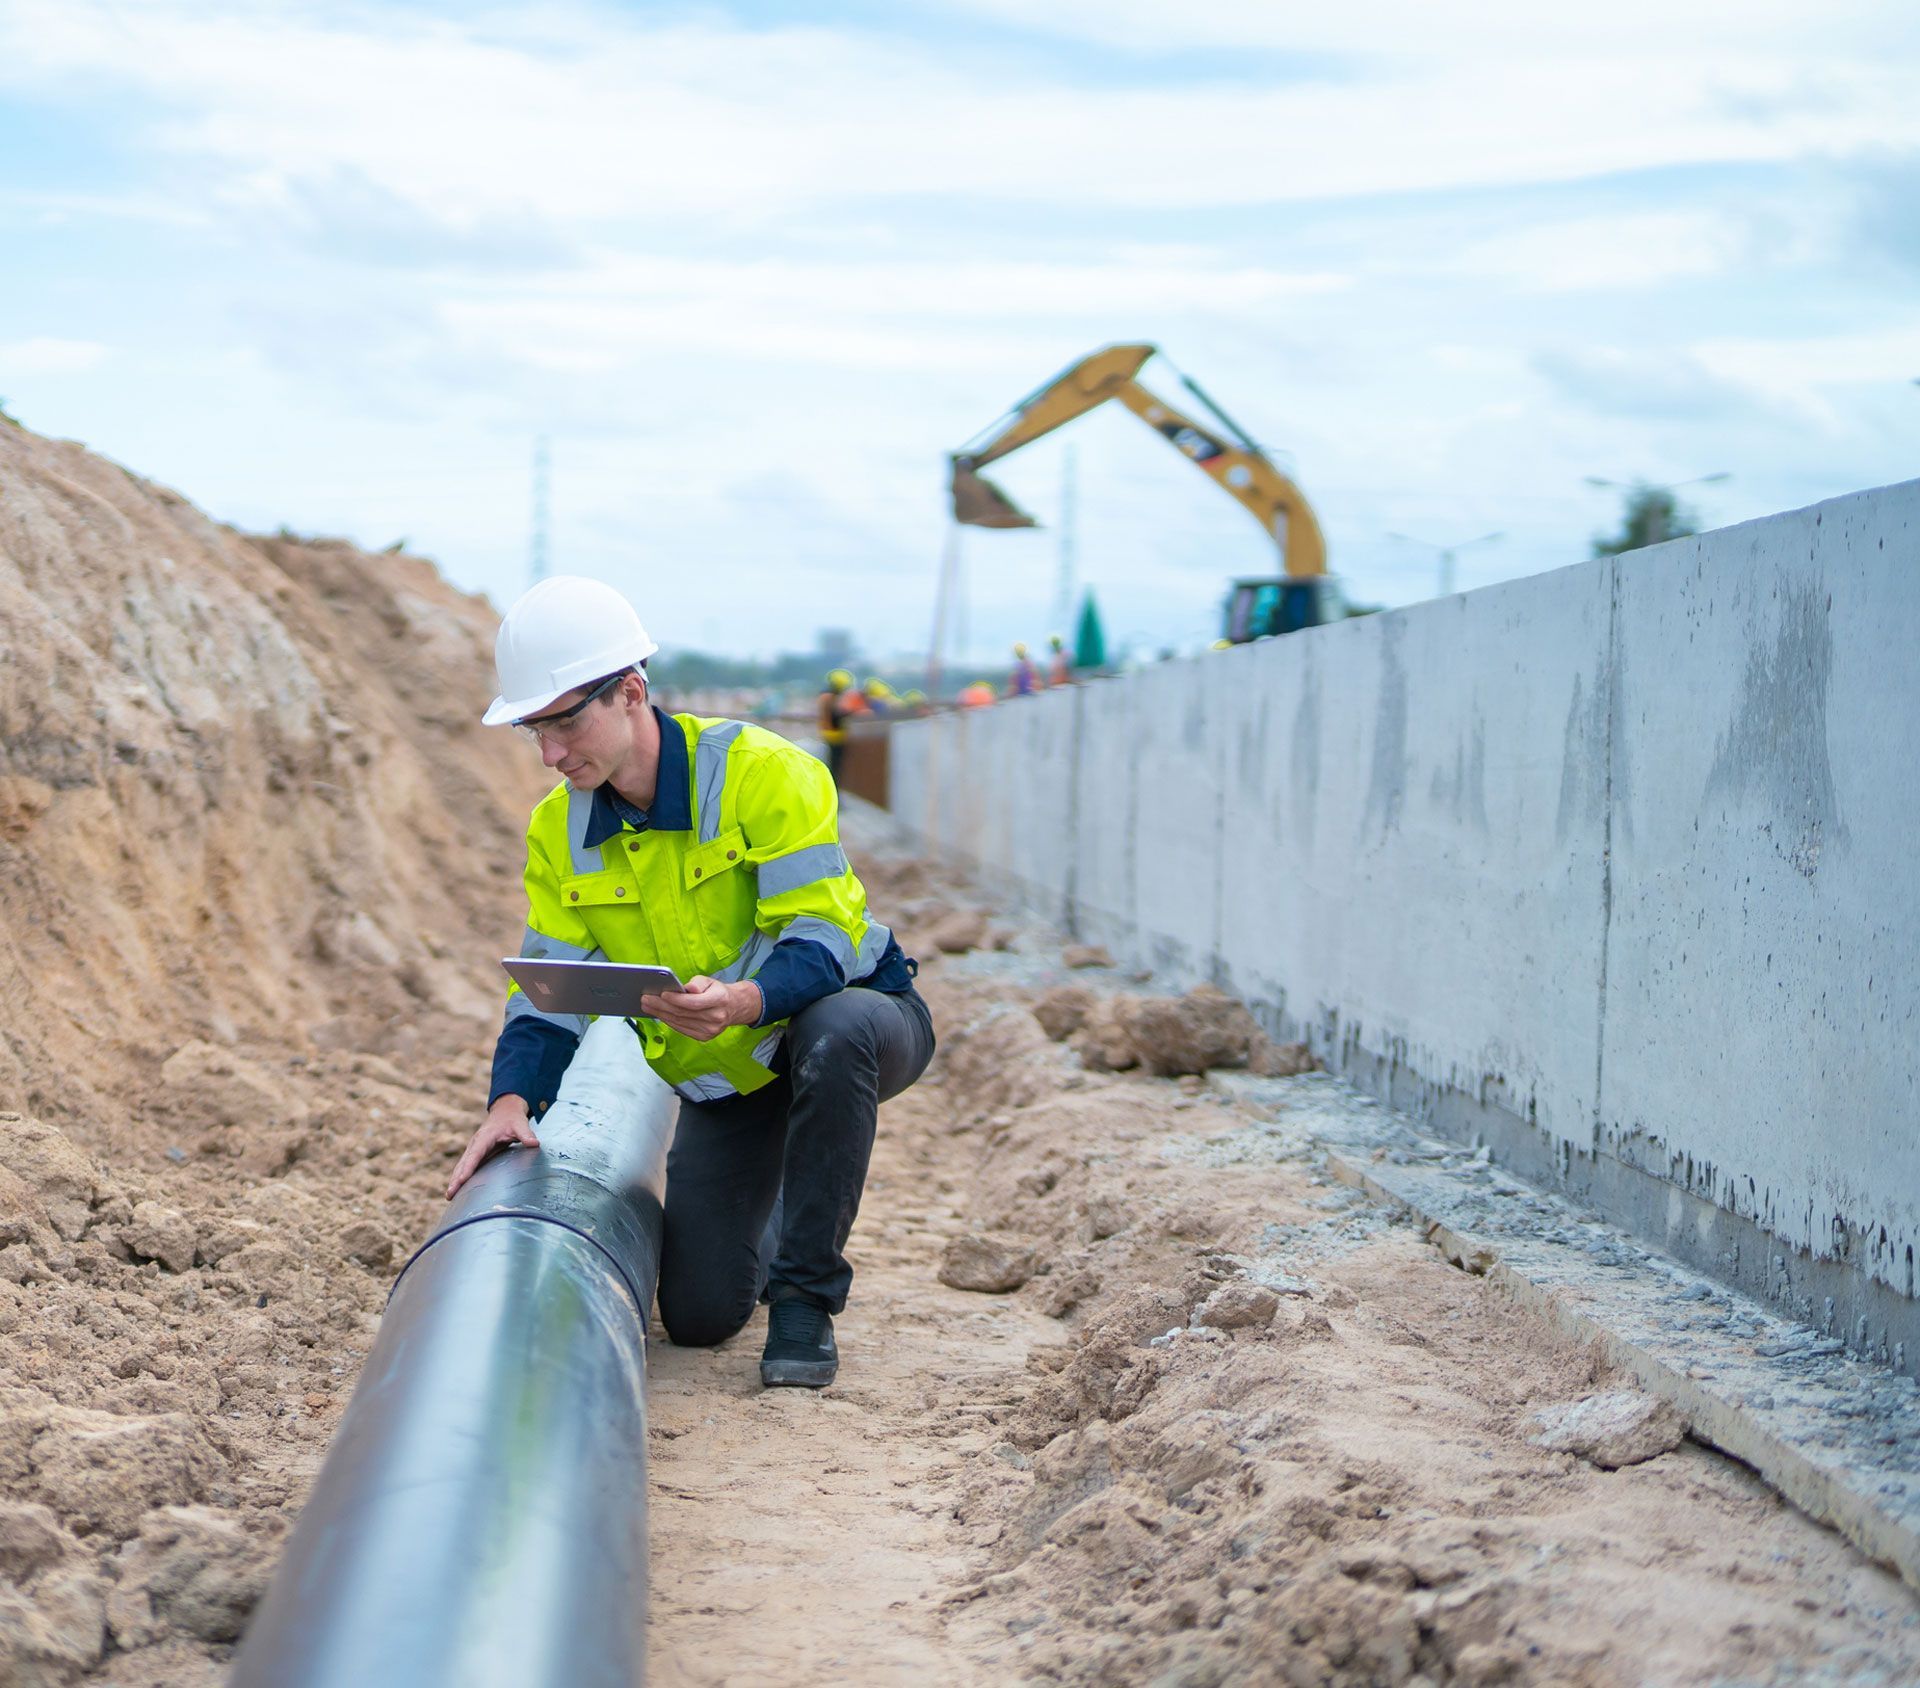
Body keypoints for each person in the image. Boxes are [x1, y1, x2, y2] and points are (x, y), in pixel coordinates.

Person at [449, 577, 933, 1389]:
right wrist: (510, 1105)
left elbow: (823, 935)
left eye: (567, 722)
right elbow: (549, 988)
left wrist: (745, 1000)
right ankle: (784, 1187)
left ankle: (808, 1303)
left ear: (631, 692)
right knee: (702, 1317)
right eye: (535, 730)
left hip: (853, 1023)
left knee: (835, 1032)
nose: (552, 755)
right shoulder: (558, 831)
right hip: (733, 1082)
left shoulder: (762, 773)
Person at [816, 667, 856, 785]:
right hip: (833, 735)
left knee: (834, 767)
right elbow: (836, 714)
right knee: (834, 767)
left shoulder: (827, 695)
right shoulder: (828, 697)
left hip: (832, 734)